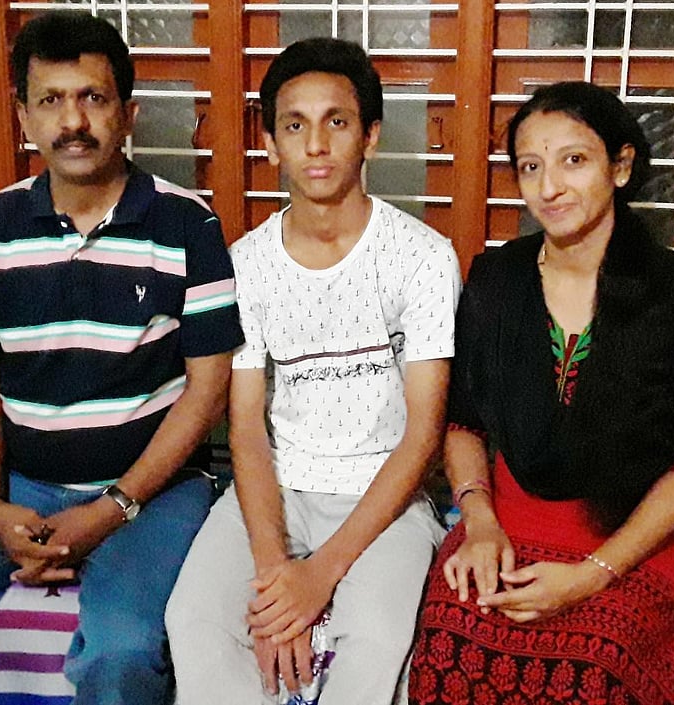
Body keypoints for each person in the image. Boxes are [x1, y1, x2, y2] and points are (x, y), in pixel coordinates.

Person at [0, 11, 243, 705]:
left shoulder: (188, 224)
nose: (73, 120)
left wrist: (112, 506)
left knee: (123, 649)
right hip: (23, 481)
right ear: (23, 118)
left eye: (93, 98)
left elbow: (208, 389)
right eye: (51, 100)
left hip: (150, 494)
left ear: (127, 113)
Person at [408, 81, 674, 705]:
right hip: (510, 518)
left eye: (574, 160)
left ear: (620, 167)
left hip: (638, 535)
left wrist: (592, 577)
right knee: (448, 639)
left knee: (592, 667)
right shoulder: (496, 280)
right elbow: (463, 424)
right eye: (531, 167)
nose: (550, 187)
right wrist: (479, 523)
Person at [165, 37, 461, 705]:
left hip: (384, 496)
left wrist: (320, 575)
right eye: (295, 125)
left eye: (338, 121)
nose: (317, 144)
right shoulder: (245, 264)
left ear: (371, 137)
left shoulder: (422, 257)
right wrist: (277, 573)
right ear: (271, 143)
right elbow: (245, 427)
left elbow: (423, 435)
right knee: (195, 619)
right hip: (278, 489)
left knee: (381, 635)